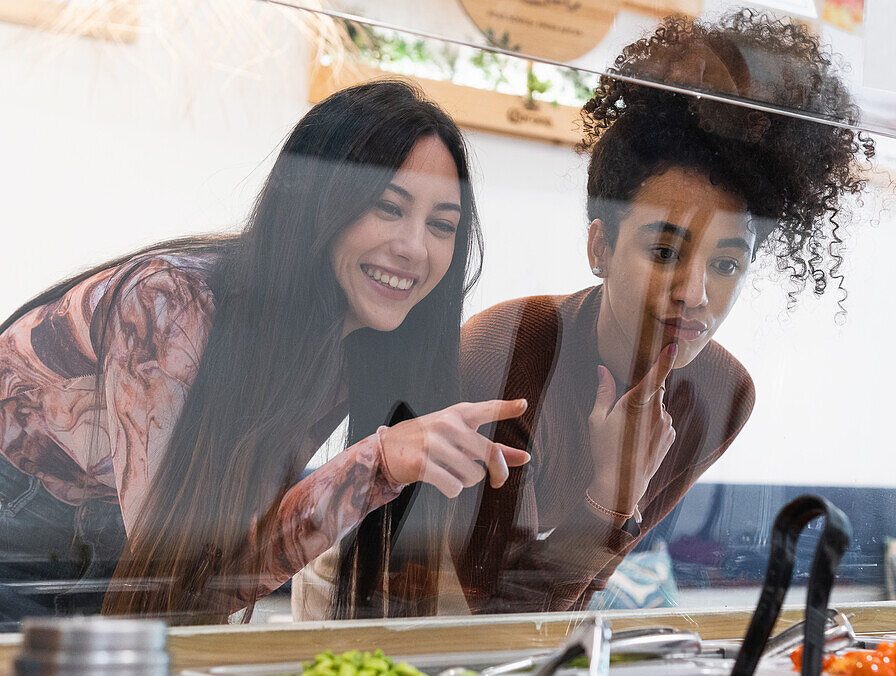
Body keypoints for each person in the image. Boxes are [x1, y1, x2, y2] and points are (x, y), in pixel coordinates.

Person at [0, 80, 529, 628]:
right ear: (318, 203)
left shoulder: (354, 338)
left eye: (442, 225)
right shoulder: (169, 303)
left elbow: (212, 570)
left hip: (110, 566)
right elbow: (176, 577)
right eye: (386, 207)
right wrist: (374, 464)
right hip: (21, 533)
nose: (415, 247)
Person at [447, 11, 875, 614]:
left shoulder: (721, 392)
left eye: (726, 264)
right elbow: (487, 614)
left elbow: (575, 590)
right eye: (666, 251)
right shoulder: (506, 353)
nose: (696, 293)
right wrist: (610, 498)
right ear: (601, 247)